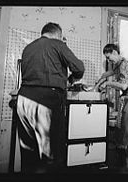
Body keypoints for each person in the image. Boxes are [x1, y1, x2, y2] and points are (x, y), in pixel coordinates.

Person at [16, 22, 85, 173]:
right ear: (58, 35)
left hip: (23, 99)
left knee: (28, 151)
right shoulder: (58, 44)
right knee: (51, 154)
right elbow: (79, 67)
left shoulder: (28, 48)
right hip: (47, 99)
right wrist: (71, 79)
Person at [97, 44, 128, 171]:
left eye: (109, 58)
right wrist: (102, 78)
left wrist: (108, 83)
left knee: (127, 137)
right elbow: (112, 72)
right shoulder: (119, 64)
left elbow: (123, 86)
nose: (109, 61)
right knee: (123, 135)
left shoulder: (123, 64)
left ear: (114, 52)